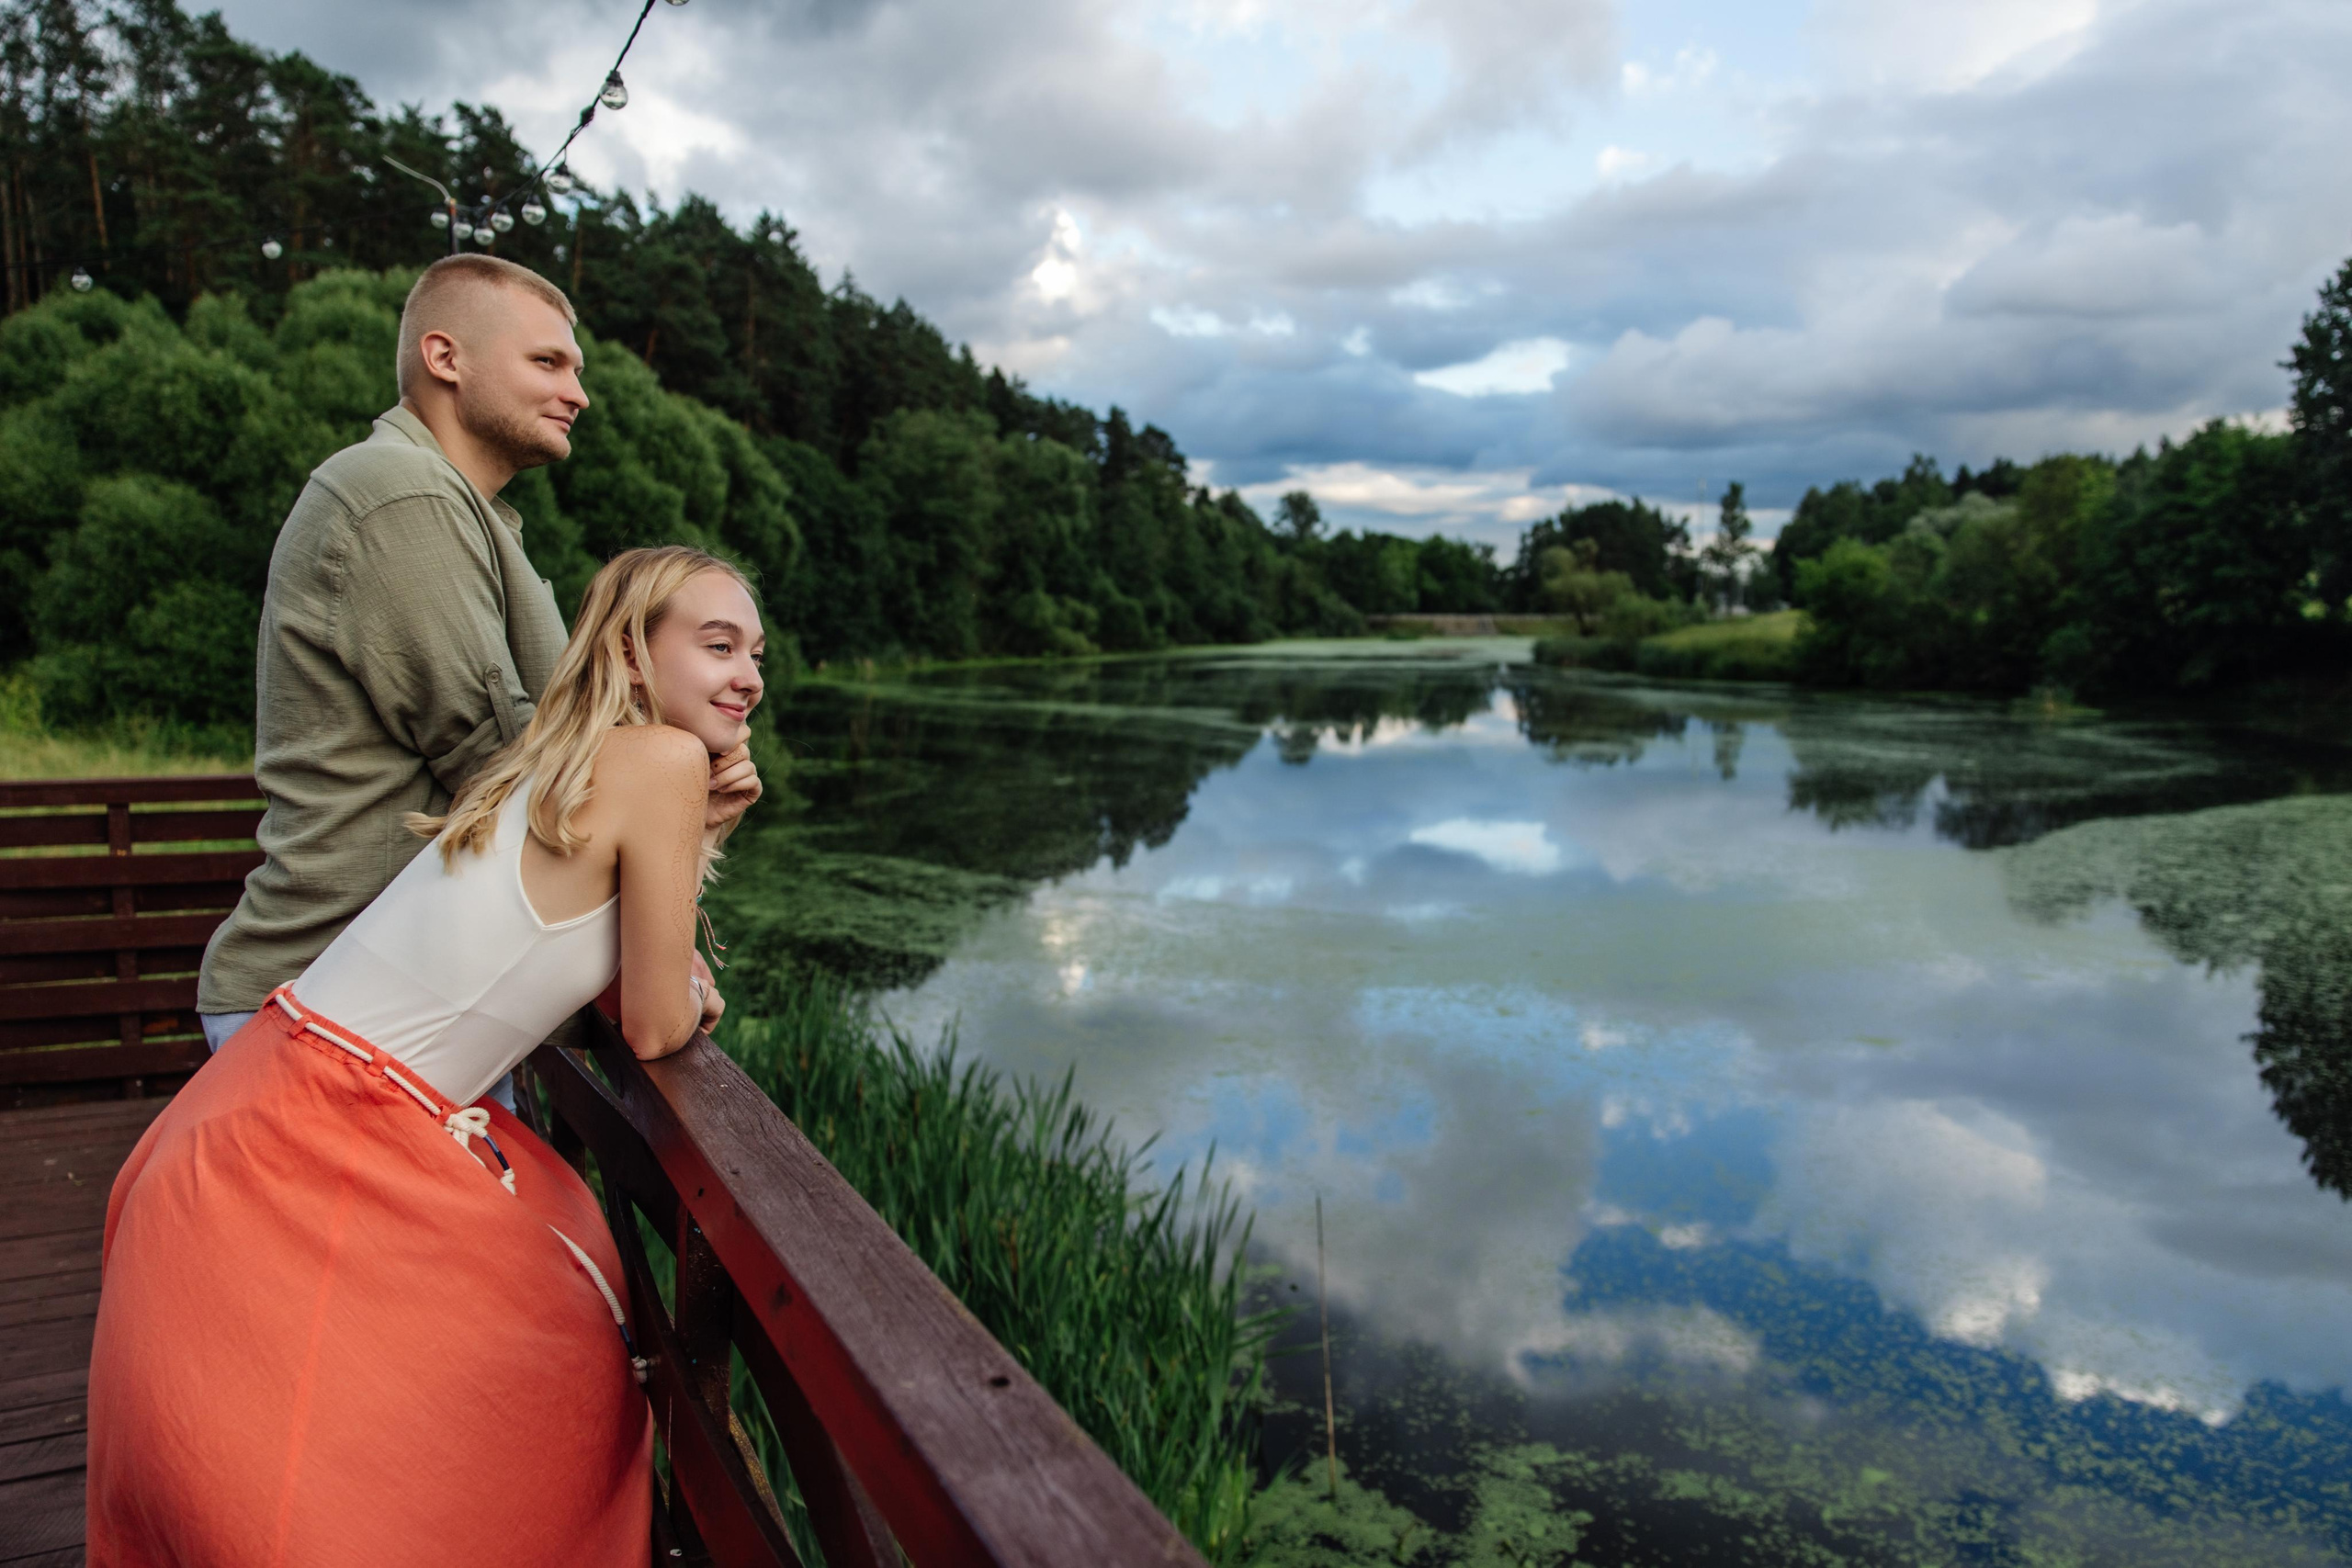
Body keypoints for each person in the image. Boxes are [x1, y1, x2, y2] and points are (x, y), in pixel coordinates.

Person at [87, 546, 768, 1566]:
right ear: (633, 652)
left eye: (757, 652)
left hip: (264, 1103)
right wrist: (705, 844)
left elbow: (600, 963)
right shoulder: (662, 762)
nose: (748, 675)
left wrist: (696, 840)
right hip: (313, 1140)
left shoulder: (563, 760)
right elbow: (657, 1027)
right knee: (469, 1427)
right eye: (718, 646)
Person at [196, 252, 750, 1062]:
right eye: (547, 362)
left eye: (577, 369)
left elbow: (552, 779)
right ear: (445, 357)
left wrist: (678, 840)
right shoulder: (400, 493)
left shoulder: (471, 516)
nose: (578, 393)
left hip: (404, 1011)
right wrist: (668, 807)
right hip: (334, 1015)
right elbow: (514, 771)